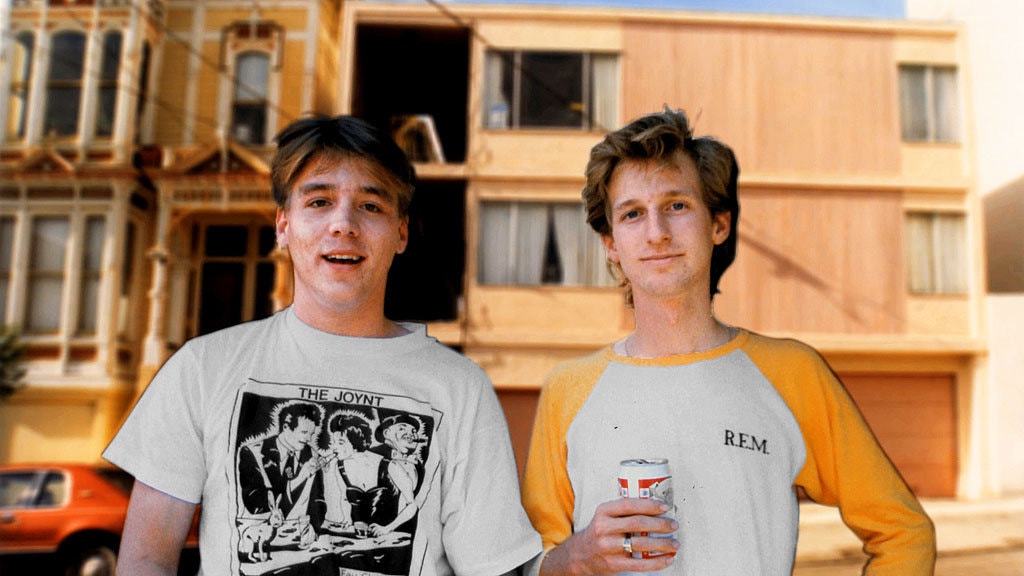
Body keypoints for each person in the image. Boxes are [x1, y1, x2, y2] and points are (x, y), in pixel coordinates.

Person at [104, 114, 541, 576]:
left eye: (371, 207)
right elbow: (146, 559)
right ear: (283, 225)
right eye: (319, 201)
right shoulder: (202, 368)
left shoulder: (460, 388)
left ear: (401, 233)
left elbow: (492, 569)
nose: (343, 224)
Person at [520, 107, 936, 576]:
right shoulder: (567, 391)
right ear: (612, 245)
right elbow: (531, 562)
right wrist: (574, 558)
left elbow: (902, 532)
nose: (656, 233)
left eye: (677, 206)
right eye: (633, 214)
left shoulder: (792, 373)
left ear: (719, 224)